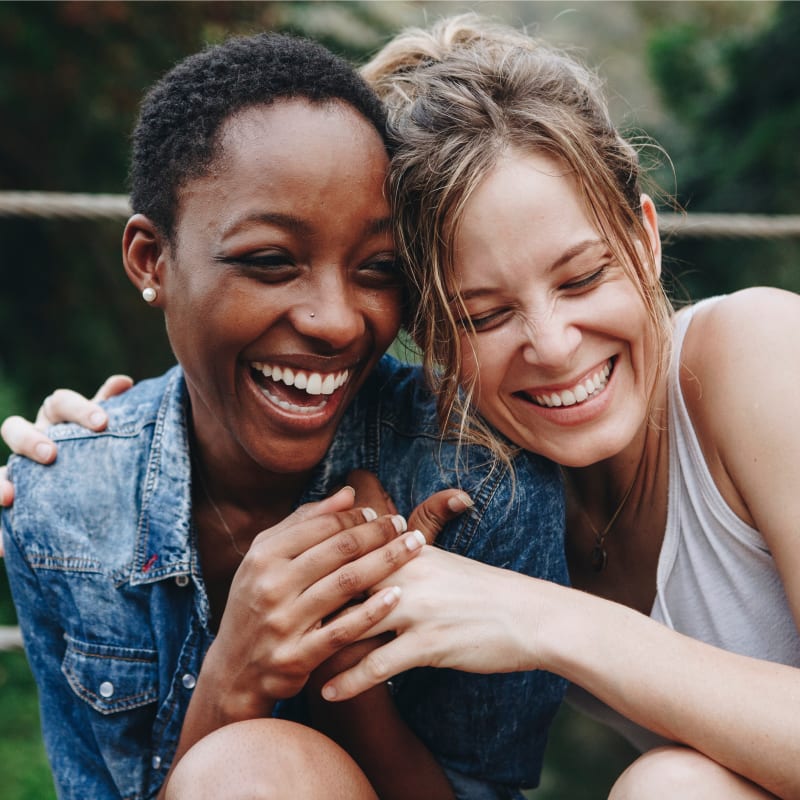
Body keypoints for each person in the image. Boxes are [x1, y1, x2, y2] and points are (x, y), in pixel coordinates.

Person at [10, 14, 798, 800]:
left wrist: (550, 621)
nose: (555, 346)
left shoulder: (758, 354)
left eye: (584, 277)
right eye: (484, 315)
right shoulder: (490, 469)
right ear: (425, 331)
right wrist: (107, 448)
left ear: (647, 239)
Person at [0, 30, 568, 800]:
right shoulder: (59, 506)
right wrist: (234, 678)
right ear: (150, 260)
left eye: (378, 270)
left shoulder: (480, 482)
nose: (337, 321)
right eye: (270, 261)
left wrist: (351, 674)